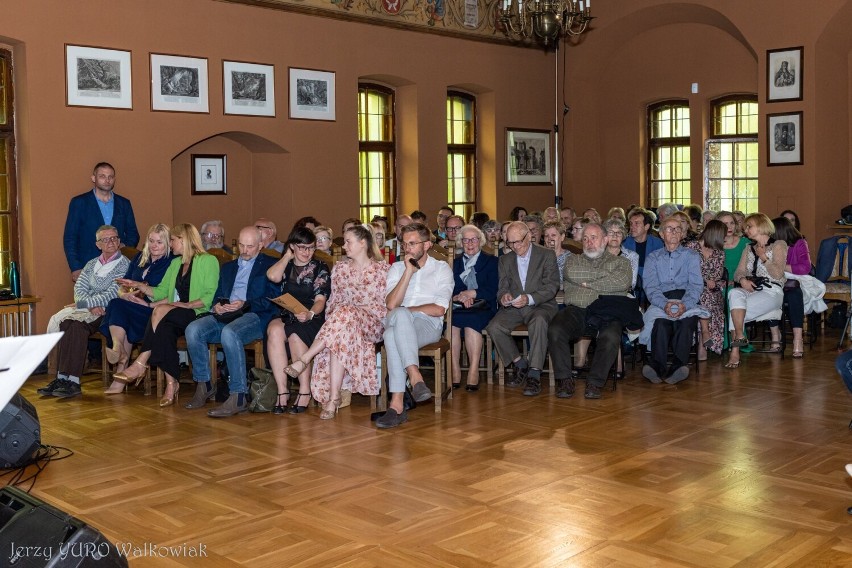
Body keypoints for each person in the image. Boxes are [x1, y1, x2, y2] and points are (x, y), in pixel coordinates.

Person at [284, 225, 389, 419]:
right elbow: (332, 304)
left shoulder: (382, 270)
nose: (344, 246)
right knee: (340, 330)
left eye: (348, 241)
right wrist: (348, 312)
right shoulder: (340, 269)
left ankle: (305, 359)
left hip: (371, 325)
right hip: (343, 324)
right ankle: (333, 398)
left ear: (362, 243)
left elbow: (383, 307)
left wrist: (354, 310)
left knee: (345, 314)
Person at [112, 224, 220, 406]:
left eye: (172, 240)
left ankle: (141, 362)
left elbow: (209, 297)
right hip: (174, 314)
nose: (170, 244)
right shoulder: (176, 263)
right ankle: (172, 383)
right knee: (164, 331)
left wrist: (184, 304)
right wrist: (138, 285)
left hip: (197, 313)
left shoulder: (208, 260)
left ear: (184, 240)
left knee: (159, 311)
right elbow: (161, 292)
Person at [183, 226, 279, 416]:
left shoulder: (270, 265)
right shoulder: (228, 267)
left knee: (230, 333)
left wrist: (245, 303)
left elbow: (272, 299)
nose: (244, 251)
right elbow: (218, 295)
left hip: (254, 315)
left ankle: (239, 395)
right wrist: (217, 306)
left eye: (250, 246)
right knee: (193, 329)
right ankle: (205, 383)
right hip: (226, 314)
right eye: (241, 245)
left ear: (260, 245)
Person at [39, 225, 131, 398]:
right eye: (106, 239)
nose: (111, 242)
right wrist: (87, 305)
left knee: (77, 327)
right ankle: (62, 379)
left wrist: (82, 304)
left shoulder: (124, 265)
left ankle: (72, 381)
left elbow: (111, 295)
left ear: (119, 241)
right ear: (98, 244)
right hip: (89, 309)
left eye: (114, 238)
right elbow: (79, 290)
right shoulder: (91, 264)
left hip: (109, 311)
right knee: (67, 323)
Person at [377, 223, 454, 428]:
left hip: (428, 326)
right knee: (398, 318)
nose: (407, 248)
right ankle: (415, 376)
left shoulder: (441, 269)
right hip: (397, 318)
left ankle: (397, 405)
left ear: (427, 244)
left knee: (391, 335)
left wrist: (407, 311)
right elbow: (391, 304)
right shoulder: (396, 268)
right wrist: (408, 272)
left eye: (412, 243)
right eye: (404, 244)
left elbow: (439, 309)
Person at [547, 223, 634, 399]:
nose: (589, 242)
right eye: (585, 238)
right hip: (577, 309)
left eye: (594, 238)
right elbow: (573, 273)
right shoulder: (573, 260)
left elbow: (621, 283)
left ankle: (594, 383)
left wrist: (588, 284)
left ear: (606, 239)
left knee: (611, 337)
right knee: (555, 329)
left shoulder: (622, 263)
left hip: (608, 312)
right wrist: (603, 280)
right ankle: (565, 380)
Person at [486, 221, 560, 396]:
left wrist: (530, 298)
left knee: (539, 321)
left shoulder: (546, 255)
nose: (515, 246)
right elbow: (502, 287)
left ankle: (534, 374)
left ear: (529, 236)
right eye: (511, 243)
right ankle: (520, 363)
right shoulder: (505, 260)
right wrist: (504, 297)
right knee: (494, 327)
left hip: (540, 305)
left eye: (519, 241)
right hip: (515, 307)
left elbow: (551, 286)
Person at [101, 223, 173, 394]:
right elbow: (123, 284)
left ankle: (120, 360)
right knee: (118, 304)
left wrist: (148, 304)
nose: (154, 246)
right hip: (131, 306)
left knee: (116, 307)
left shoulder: (172, 262)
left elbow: (173, 296)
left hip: (154, 311)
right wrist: (123, 294)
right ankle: (120, 352)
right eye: (151, 241)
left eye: (159, 242)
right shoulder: (140, 257)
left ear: (168, 243)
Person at [269, 228, 331, 414]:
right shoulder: (285, 265)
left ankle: (305, 390)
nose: (307, 252)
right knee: (274, 330)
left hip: (312, 316)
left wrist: (310, 314)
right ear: (292, 247)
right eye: (302, 247)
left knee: (296, 335)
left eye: (311, 248)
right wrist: (287, 257)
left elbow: (321, 300)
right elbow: (272, 276)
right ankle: (282, 391)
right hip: (289, 313)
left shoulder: (320, 267)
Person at [640, 217, 707, 384]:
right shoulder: (653, 258)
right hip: (661, 299)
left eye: (678, 229)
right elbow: (650, 287)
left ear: (683, 234)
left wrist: (685, 304)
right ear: (661, 234)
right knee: (661, 324)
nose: (674, 232)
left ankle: (678, 366)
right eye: (669, 229)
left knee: (686, 323)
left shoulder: (691, 256)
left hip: (685, 298)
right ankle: (657, 367)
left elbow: (696, 285)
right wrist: (664, 303)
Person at [725, 213, 788, 368]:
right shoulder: (748, 248)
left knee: (735, 311)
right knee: (733, 293)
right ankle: (740, 335)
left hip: (772, 291)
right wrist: (743, 280)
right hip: (751, 288)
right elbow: (738, 272)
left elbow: (778, 273)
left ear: (761, 225)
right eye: (746, 227)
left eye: (749, 226)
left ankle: (735, 352)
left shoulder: (778, 245)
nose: (746, 230)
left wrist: (764, 257)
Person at [63, 162, 139, 282]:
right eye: (102, 176)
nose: (107, 180)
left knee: (117, 300)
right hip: (88, 268)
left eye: (110, 177)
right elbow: (70, 238)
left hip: (118, 268)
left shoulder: (124, 203)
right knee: (90, 301)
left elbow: (133, 234)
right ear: (93, 178)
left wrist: (123, 247)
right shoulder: (79, 202)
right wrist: (75, 267)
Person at [450, 224, 498, 391]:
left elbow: (493, 289)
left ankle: (473, 370)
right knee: (451, 323)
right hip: (459, 305)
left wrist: (473, 293)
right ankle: (455, 369)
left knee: (472, 322)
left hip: (483, 306)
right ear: (460, 242)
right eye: (466, 240)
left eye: (474, 239)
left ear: (480, 241)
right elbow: (449, 287)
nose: (470, 243)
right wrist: (459, 296)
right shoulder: (454, 264)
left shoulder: (491, 261)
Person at [685, 220, 727, 360]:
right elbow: (685, 272)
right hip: (690, 287)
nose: (725, 239)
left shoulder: (719, 252)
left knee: (708, 297)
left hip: (711, 290)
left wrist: (710, 282)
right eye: (723, 236)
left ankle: (703, 338)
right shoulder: (690, 247)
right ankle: (705, 335)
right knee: (703, 296)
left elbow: (717, 275)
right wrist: (703, 280)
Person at [773, 215, 813, 358]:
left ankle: (798, 338)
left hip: (795, 282)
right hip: (776, 282)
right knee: (771, 293)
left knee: (794, 294)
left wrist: (782, 266)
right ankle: (775, 335)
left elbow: (805, 267)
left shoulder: (800, 243)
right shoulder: (771, 244)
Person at [624, 208, 664, 299]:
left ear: (646, 226)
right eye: (631, 223)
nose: (632, 227)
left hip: (653, 287)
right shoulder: (625, 243)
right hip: (630, 287)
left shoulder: (657, 244)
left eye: (637, 223)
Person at [603, 218, 639, 291]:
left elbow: (631, 284)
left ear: (623, 237)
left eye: (619, 233)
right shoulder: (597, 254)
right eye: (611, 232)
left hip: (623, 295)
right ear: (604, 236)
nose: (615, 236)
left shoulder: (632, 256)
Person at [543, 221, 570, 288]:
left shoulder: (571, 258)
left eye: (553, 235)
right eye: (546, 236)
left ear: (562, 237)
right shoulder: (539, 257)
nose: (549, 239)